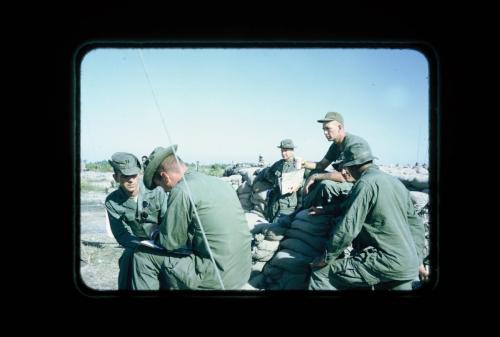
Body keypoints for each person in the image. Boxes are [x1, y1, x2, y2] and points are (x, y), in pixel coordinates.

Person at [308, 142, 429, 290]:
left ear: (354, 165)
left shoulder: (365, 184)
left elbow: (348, 228)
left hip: (385, 262)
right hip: (407, 265)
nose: (343, 171)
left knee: (321, 273)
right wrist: (418, 260)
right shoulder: (394, 182)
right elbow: (416, 225)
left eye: (345, 166)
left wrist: (325, 258)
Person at [130, 145, 252, 290]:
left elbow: (170, 244)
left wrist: (153, 230)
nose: (164, 190)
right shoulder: (219, 183)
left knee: (142, 256)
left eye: (161, 186)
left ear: (165, 177)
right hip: (242, 271)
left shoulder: (181, 190)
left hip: (219, 277)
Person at [104, 152, 168, 290]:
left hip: (162, 241)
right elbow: (121, 234)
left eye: (133, 175)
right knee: (127, 260)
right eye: (125, 176)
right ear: (116, 177)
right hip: (136, 244)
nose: (131, 180)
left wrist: (161, 240)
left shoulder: (157, 191)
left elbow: (168, 221)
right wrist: (139, 244)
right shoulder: (112, 202)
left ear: (139, 174)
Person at [301, 111, 371, 211]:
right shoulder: (336, 146)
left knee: (326, 184)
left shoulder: (354, 144)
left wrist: (315, 177)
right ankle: (304, 207)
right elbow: (321, 165)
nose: (325, 132)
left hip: (358, 186)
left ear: (340, 127)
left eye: (328, 129)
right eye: (324, 129)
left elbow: (347, 176)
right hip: (346, 181)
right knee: (315, 172)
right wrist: (305, 164)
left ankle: (305, 209)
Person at [263, 139, 304, 222]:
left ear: (292, 151)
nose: (283, 153)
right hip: (275, 201)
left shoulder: (298, 164)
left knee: (276, 228)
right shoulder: (278, 164)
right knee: (269, 223)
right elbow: (268, 174)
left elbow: (305, 179)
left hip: (287, 204)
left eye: (285, 151)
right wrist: (274, 180)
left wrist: (299, 185)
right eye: (282, 151)